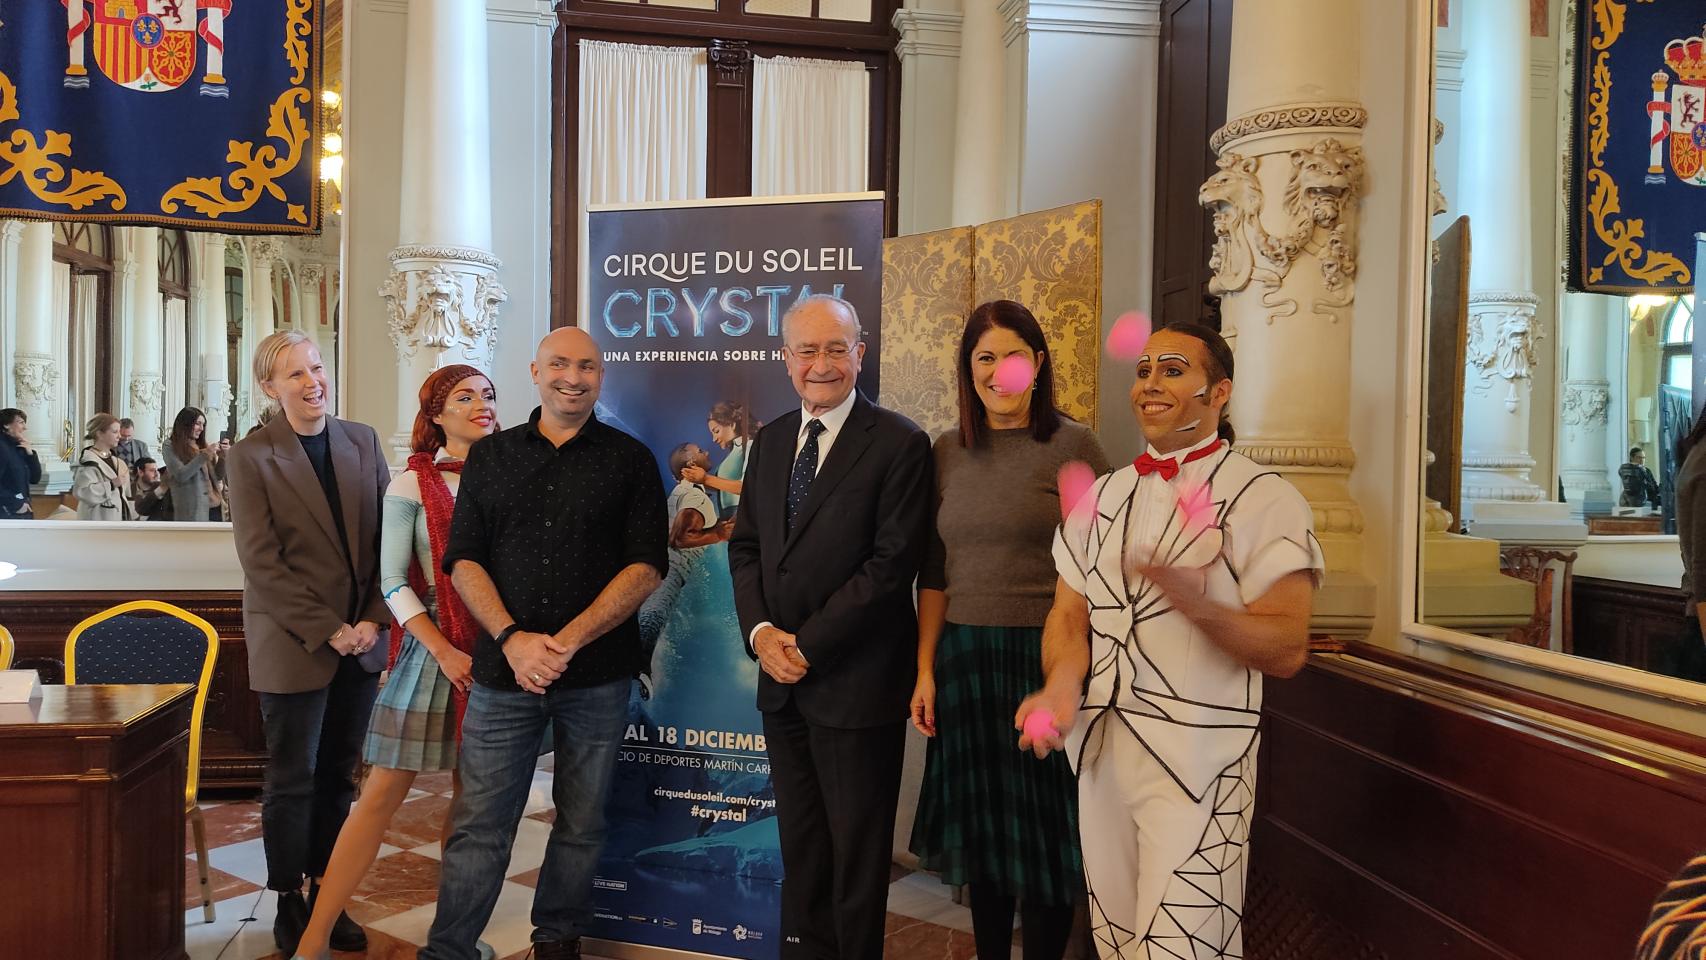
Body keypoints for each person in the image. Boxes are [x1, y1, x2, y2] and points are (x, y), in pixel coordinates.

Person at [1015, 323, 1323, 960]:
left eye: (1173, 369)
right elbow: (1069, 614)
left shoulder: (1265, 499)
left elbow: (1288, 647)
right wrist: (1061, 686)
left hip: (1201, 765)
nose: (1150, 383)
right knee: (1116, 943)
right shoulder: (1101, 496)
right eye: (1144, 370)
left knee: (1184, 948)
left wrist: (1201, 607)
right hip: (1101, 754)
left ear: (1220, 392)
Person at [418, 327, 666, 960]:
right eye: (559, 364)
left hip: (598, 676)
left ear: (600, 375)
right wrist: (512, 640)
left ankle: (557, 942)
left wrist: (565, 643)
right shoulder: (491, 457)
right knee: (480, 825)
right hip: (503, 675)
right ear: (535, 371)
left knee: (582, 823)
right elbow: (463, 560)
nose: (572, 378)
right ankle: (448, 950)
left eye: (586, 366)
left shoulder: (632, 459)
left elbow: (646, 566)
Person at [728, 294, 932, 960]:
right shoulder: (771, 439)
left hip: (856, 685)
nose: (822, 364)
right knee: (802, 848)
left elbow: (890, 566)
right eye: (808, 350)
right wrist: (762, 635)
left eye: (836, 349)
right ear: (786, 359)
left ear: (860, 354)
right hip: (781, 683)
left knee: (856, 859)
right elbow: (747, 548)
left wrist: (807, 646)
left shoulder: (900, 442)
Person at [909, 301, 1110, 960]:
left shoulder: (1075, 447)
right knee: (985, 838)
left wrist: (1069, 673)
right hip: (965, 658)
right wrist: (925, 671)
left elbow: (1103, 567)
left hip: (1044, 658)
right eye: (985, 358)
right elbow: (935, 571)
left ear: (1039, 362)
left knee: (1046, 838)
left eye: (1013, 356)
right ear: (968, 370)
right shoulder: (947, 450)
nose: (1000, 372)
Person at [291, 365, 500, 960]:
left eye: (488, 395)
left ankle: (454, 937)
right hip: (434, 649)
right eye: (464, 397)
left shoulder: (513, 476)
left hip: (497, 650)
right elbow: (392, 581)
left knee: (473, 805)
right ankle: (312, 940)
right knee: (380, 794)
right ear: (436, 413)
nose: (481, 405)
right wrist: (443, 649)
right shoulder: (411, 484)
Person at [226, 330, 392, 956]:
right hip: (295, 640)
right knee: (292, 778)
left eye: (316, 367)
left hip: (363, 639)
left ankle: (328, 892)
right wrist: (331, 629)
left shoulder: (362, 441)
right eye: (294, 373)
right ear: (269, 387)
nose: (312, 382)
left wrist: (372, 619)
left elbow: (389, 542)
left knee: (340, 776)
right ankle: (287, 896)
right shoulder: (252, 456)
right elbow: (262, 563)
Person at [637, 443, 729, 698]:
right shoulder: (695, 497)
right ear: (691, 465)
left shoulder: (685, 492)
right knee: (654, 616)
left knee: (654, 616)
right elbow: (680, 538)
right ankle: (640, 670)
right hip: (671, 569)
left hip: (660, 567)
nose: (706, 453)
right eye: (700, 451)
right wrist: (720, 534)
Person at [682, 400, 758, 519]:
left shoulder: (748, 447)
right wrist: (696, 479)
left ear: (732, 425)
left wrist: (706, 479)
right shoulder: (734, 452)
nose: (714, 439)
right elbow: (724, 488)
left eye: (716, 431)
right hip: (728, 517)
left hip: (742, 516)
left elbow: (747, 487)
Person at [162, 406, 222, 523]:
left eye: (203, 425)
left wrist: (223, 457)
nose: (201, 428)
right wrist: (204, 455)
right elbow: (181, 475)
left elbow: (217, 476)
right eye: (198, 424)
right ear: (185, 424)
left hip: (215, 507)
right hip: (192, 512)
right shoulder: (170, 445)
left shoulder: (202, 445)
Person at [73, 413, 134, 521]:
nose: (119, 436)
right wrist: (111, 484)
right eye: (115, 432)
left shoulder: (118, 462)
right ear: (100, 434)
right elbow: (82, 492)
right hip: (97, 521)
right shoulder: (88, 462)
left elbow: (125, 495)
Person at [0, 408, 41, 520]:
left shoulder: (20, 447)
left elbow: (35, 479)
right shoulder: (1, 447)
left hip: (22, 511)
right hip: (7, 512)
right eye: (21, 422)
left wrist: (30, 454)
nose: (25, 427)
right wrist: (17, 504)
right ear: (6, 425)